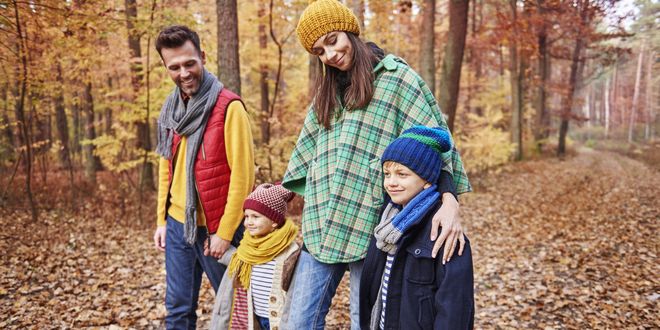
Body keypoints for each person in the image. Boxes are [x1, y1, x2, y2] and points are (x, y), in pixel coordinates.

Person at [282, 1, 471, 328]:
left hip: (369, 226)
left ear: (350, 31)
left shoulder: (397, 78)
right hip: (320, 223)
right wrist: (277, 199)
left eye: (332, 40)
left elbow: (436, 141)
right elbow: (306, 152)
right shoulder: (326, 94)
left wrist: (450, 201)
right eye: (319, 51)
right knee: (297, 322)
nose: (330, 54)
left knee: (367, 322)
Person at [152, 25, 255, 329]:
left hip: (217, 228)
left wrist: (224, 233)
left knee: (238, 311)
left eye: (189, 63)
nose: (183, 73)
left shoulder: (229, 107)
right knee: (178, 311)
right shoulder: (170, 109)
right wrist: (161, 220)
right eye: (174, 67)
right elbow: (165, 166)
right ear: (165, 67)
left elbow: (243, 176)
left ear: (203, 57)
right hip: (177, 226)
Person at [359, 126, 474, 329]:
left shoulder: (445, 232)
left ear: (427, 180)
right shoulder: (387, 225)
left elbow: (454, 310)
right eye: (387, 174)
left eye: (402, 174)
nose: (391, 182)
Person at [209, 183, 301, 330]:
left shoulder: (290, 251)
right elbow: (238, 258)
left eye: (255, 217)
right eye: (246, 216)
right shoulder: (248, 246)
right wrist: (218, 250)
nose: (248, 222)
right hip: (254, 317)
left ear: (274, 222)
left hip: (278, 319)